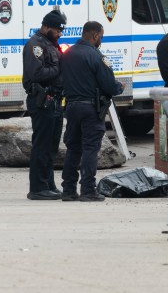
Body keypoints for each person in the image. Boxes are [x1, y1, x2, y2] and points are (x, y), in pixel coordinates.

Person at [60, 21, 125, 202]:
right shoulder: (96, 56)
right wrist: (119, 87)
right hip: (90, 109)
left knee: (73, 148)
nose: (101, 41)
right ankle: (88, 189)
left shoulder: (67, 54)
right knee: (90, 149)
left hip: (71, 107)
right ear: (95, 35)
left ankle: (68, 190)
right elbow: (109, 85)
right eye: (101, 37)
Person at [22, 9, 66, 200]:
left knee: (52, 146)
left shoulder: (51, 44)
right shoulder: (36, 45)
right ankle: (37, 188)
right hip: (42, 101)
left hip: (55, 101)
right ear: (46, 26)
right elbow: (37, 74)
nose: (59, 33)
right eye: (57, 30)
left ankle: (48, 184)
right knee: (42, 145)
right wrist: (59, 67)